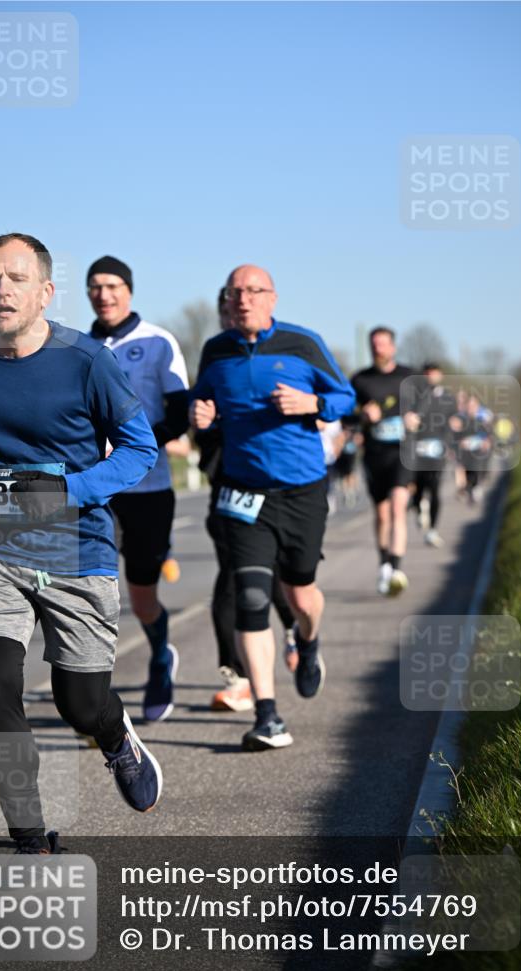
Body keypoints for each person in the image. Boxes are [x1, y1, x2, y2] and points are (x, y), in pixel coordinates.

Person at [0, 233, 162, 853]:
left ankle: (115, 737)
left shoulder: (86, 360)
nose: (3, 289)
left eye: (16, 278)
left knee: (79, 702)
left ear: (45, 291)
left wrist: (69, 491)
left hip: (76, 548)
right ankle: (30, 839)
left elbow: (140, 449)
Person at [190, 265, 355, 749]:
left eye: (253, 291)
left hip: (302, 491)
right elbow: (203, 403)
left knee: (301, 594)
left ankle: (307, 641)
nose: (243, 299)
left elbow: (343, 395)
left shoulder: (302, 343)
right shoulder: (216, 350)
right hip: (244, 494)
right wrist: (200, 415)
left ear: (272, 298)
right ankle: (267, 714)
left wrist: (311, 404)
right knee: (251, 597)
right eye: (234, 292)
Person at [87, 255, 189, 721]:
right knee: (90, 590)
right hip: (94, 491)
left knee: (142, 596)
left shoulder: (157, 341)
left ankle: (161, 655)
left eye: (111, 285)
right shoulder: (76, 346)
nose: (103, 294)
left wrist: (130, 447)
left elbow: (179, 413)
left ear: (128, 290)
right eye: (94, 286)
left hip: (149, 488)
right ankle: (92, 698)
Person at [199, 289, 299, 714]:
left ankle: (296, 628)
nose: (233, 316)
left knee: (274, 574)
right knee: (235, 579)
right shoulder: (215, 360)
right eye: (225, 311)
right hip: (228, 488)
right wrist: (201, 419)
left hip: (275, 489)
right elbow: (194, 417)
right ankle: (236, 674)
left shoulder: (275, 356)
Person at [351, 327, 419, 596]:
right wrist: (363, 417)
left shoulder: (409, 377)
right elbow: (345, 416)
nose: (378, 349)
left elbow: (430, 407)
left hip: (403, 452)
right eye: (374, 345)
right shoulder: (359, 380)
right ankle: (384, 564)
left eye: (382, 344)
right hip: (374, 455)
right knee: (381, 514)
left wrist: (417, 419)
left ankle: (397, 568)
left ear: (393, 347)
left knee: (398, 507)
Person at [410, 362, 457, 548]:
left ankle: (432, 531)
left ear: (441, 376)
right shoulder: (414, 397)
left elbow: (452, 423)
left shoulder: (448, 398)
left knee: (435, 488)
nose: (431, 377)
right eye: (428, 374)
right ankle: (419, 507)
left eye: (435, 374)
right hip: (417, 448)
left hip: (438, 448)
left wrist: (449, 444)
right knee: (418, 487)